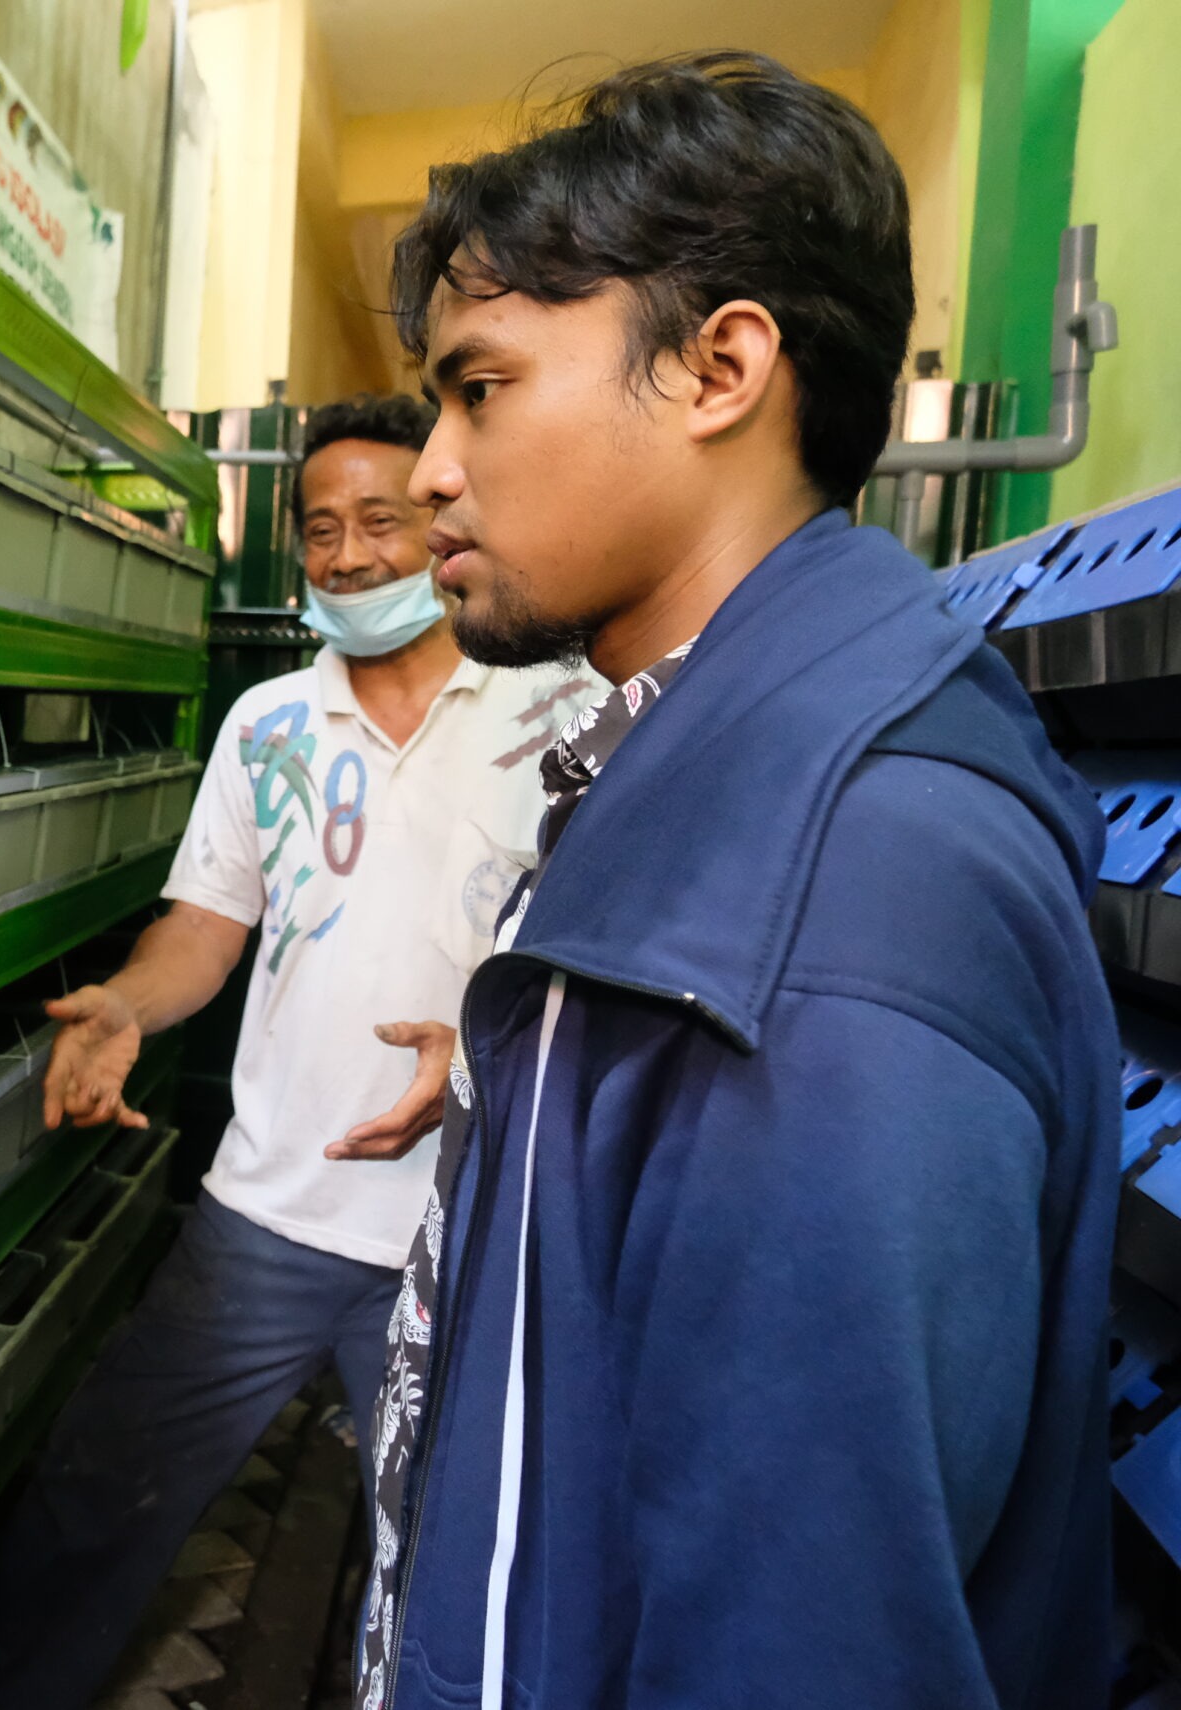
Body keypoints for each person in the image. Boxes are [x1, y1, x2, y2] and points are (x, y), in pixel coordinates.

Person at [357, 53, 1118, 1710]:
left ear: (720, 368)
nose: (427, 471)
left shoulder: (849, 901)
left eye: (477, 388)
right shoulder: (710, 760)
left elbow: (810, 1645)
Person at [0, 394, 593, 1710]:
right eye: (320, 530)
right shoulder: (268, 727)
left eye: (379, 523)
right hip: (266, 1215)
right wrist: (126, 1003)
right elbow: (205, 930)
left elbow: (604, 957)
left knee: (455, 1557)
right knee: (97, 1496)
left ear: (446, 516)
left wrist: (473, 1044)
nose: (345, 558)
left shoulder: (555, 715)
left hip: (469, 1225)